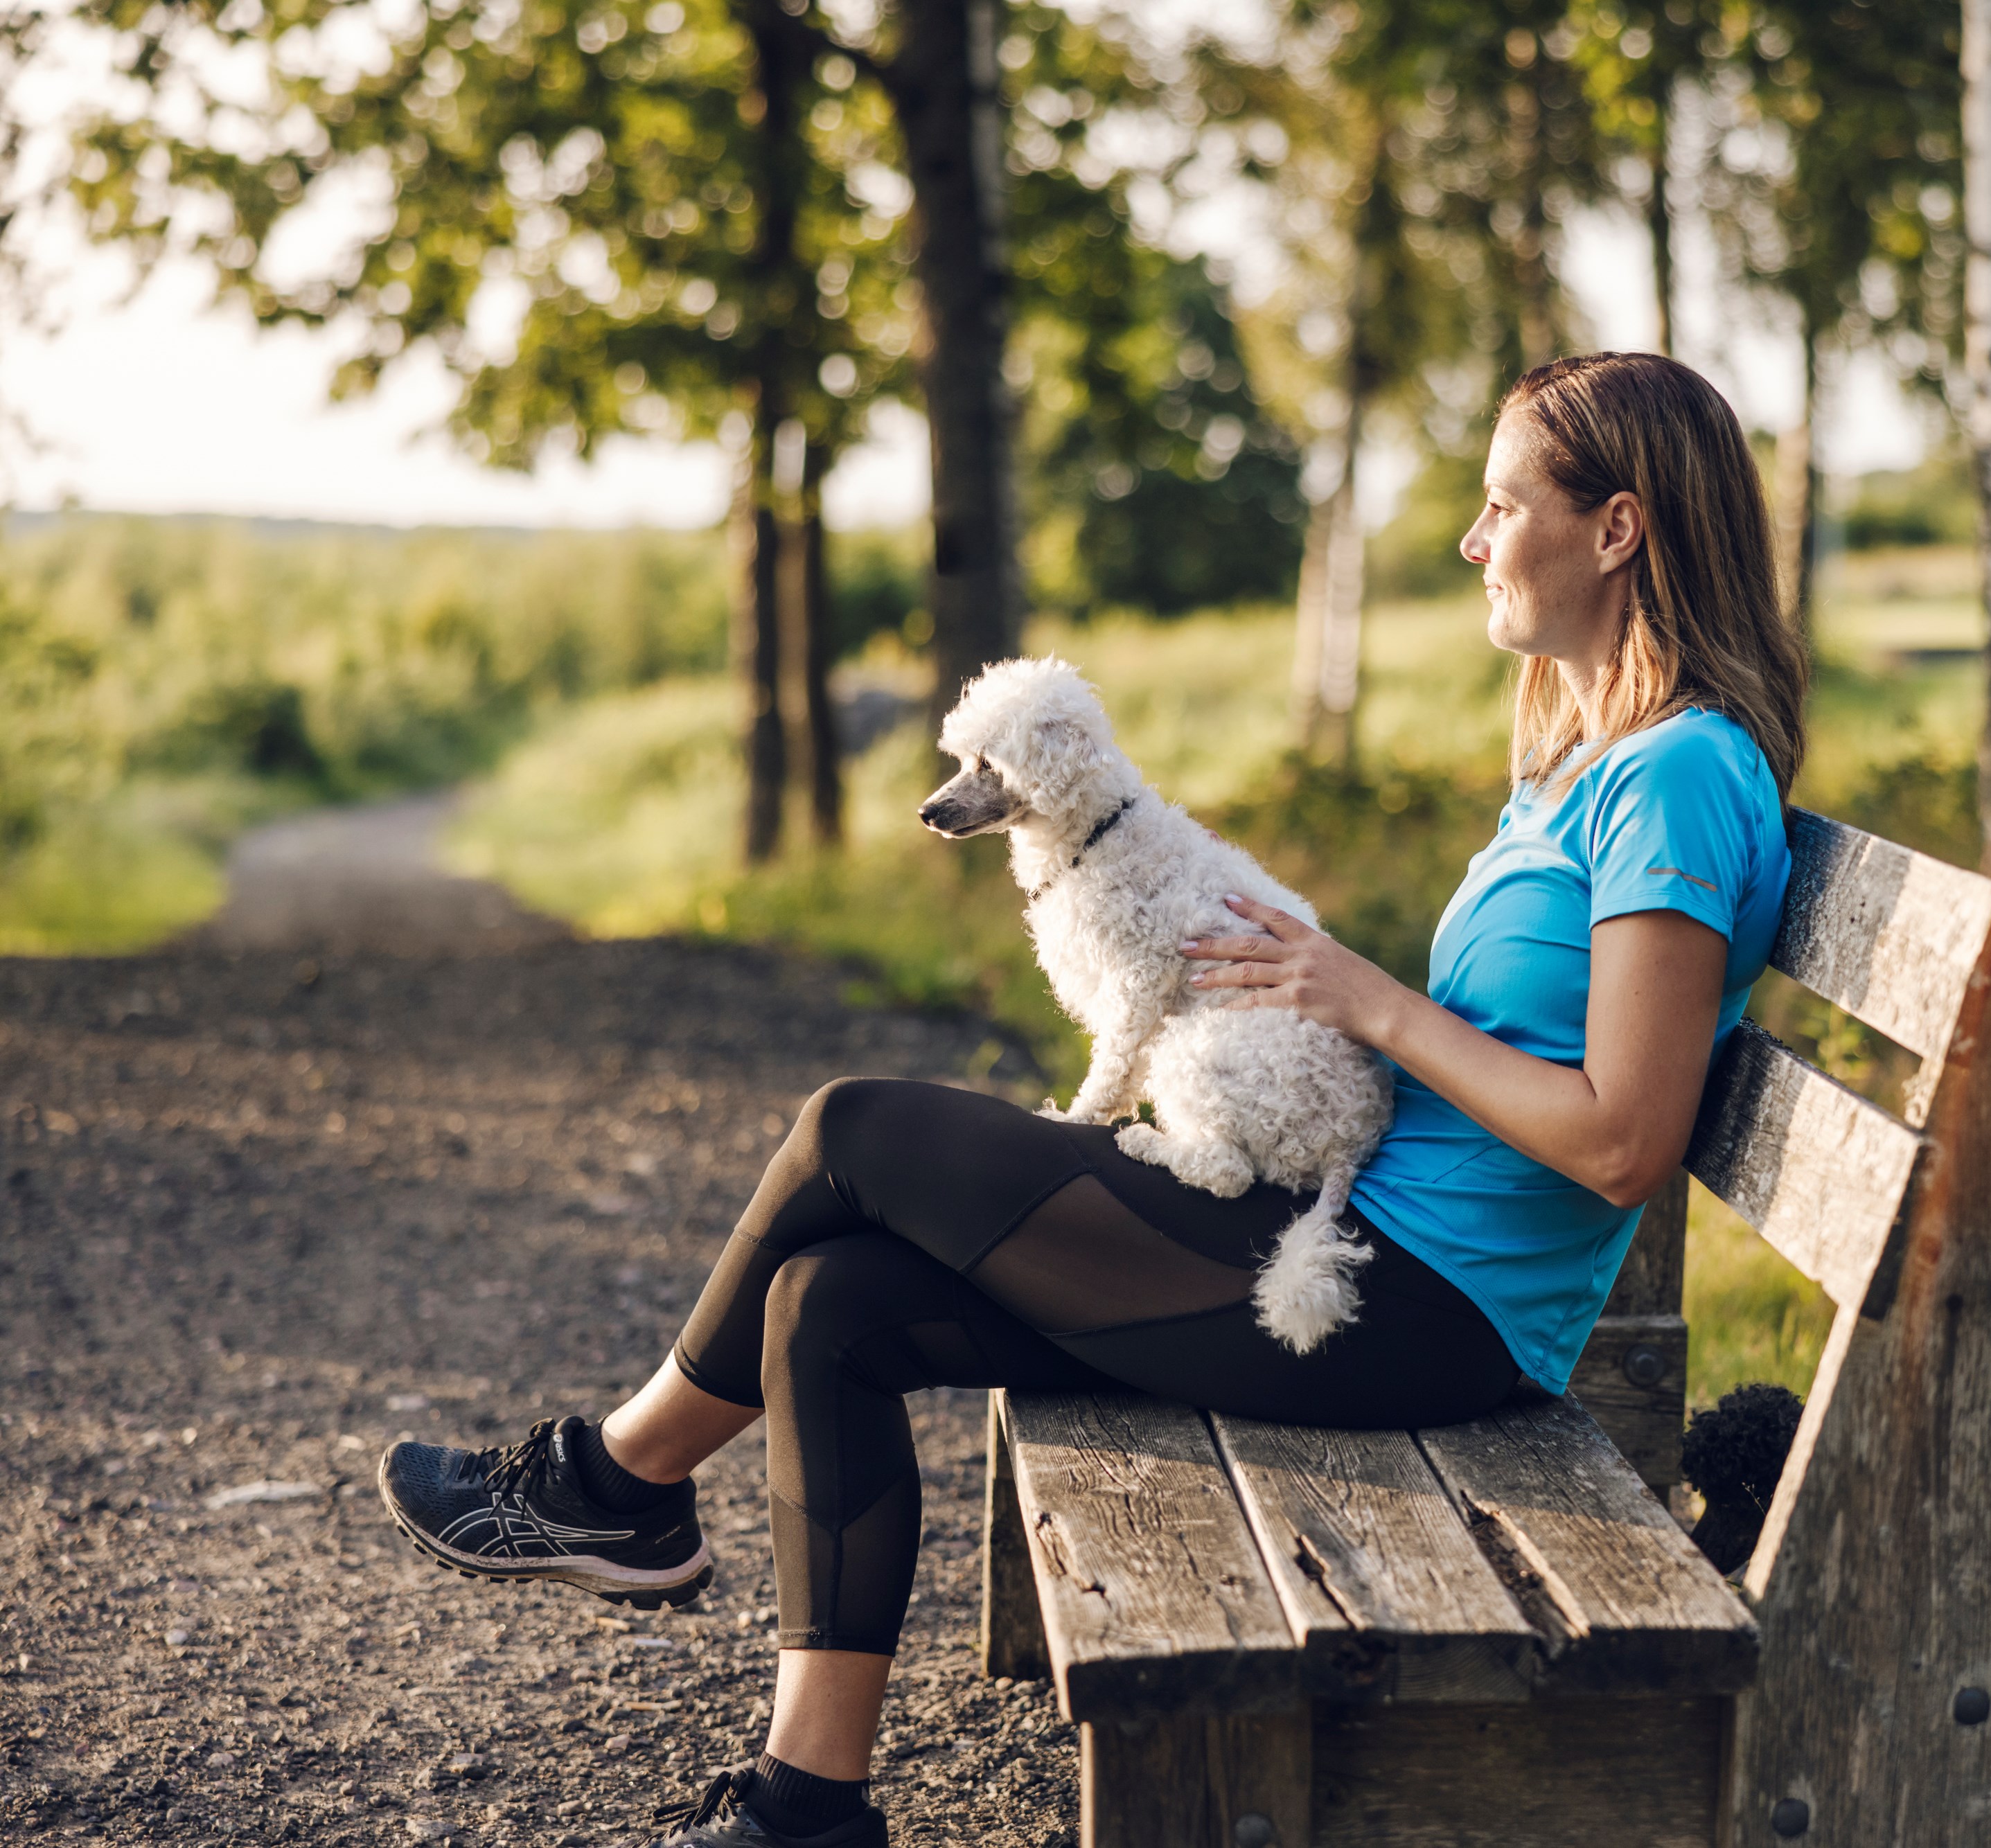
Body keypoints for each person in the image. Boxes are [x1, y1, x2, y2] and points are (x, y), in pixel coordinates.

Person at [375, 351, 1809, 1848]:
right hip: (1360, 1243)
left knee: (854, 1128)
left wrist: (1366, 998)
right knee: (833, 1299)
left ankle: (615, 1483)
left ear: (1617, 528)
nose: (1471, 536)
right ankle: (806, 1807)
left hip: (1422, 1312)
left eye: (1501, 502)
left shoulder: (1679, 778)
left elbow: (1624, 1136)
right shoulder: (1583, 765)